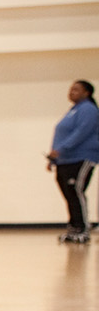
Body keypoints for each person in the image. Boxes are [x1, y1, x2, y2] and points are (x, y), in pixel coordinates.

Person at [47, 80, 97, 244]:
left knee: (76, 190)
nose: (71, 92)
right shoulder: (73, 110)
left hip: (81, 157)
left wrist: (62, 148)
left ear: (86, 92)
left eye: (76, 89)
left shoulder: (88, 109)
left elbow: (82, 132)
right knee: (68, 192)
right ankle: (74, 228)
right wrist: (54, 157)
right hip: (65, 159)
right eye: (70, 89)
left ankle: (83, 229)